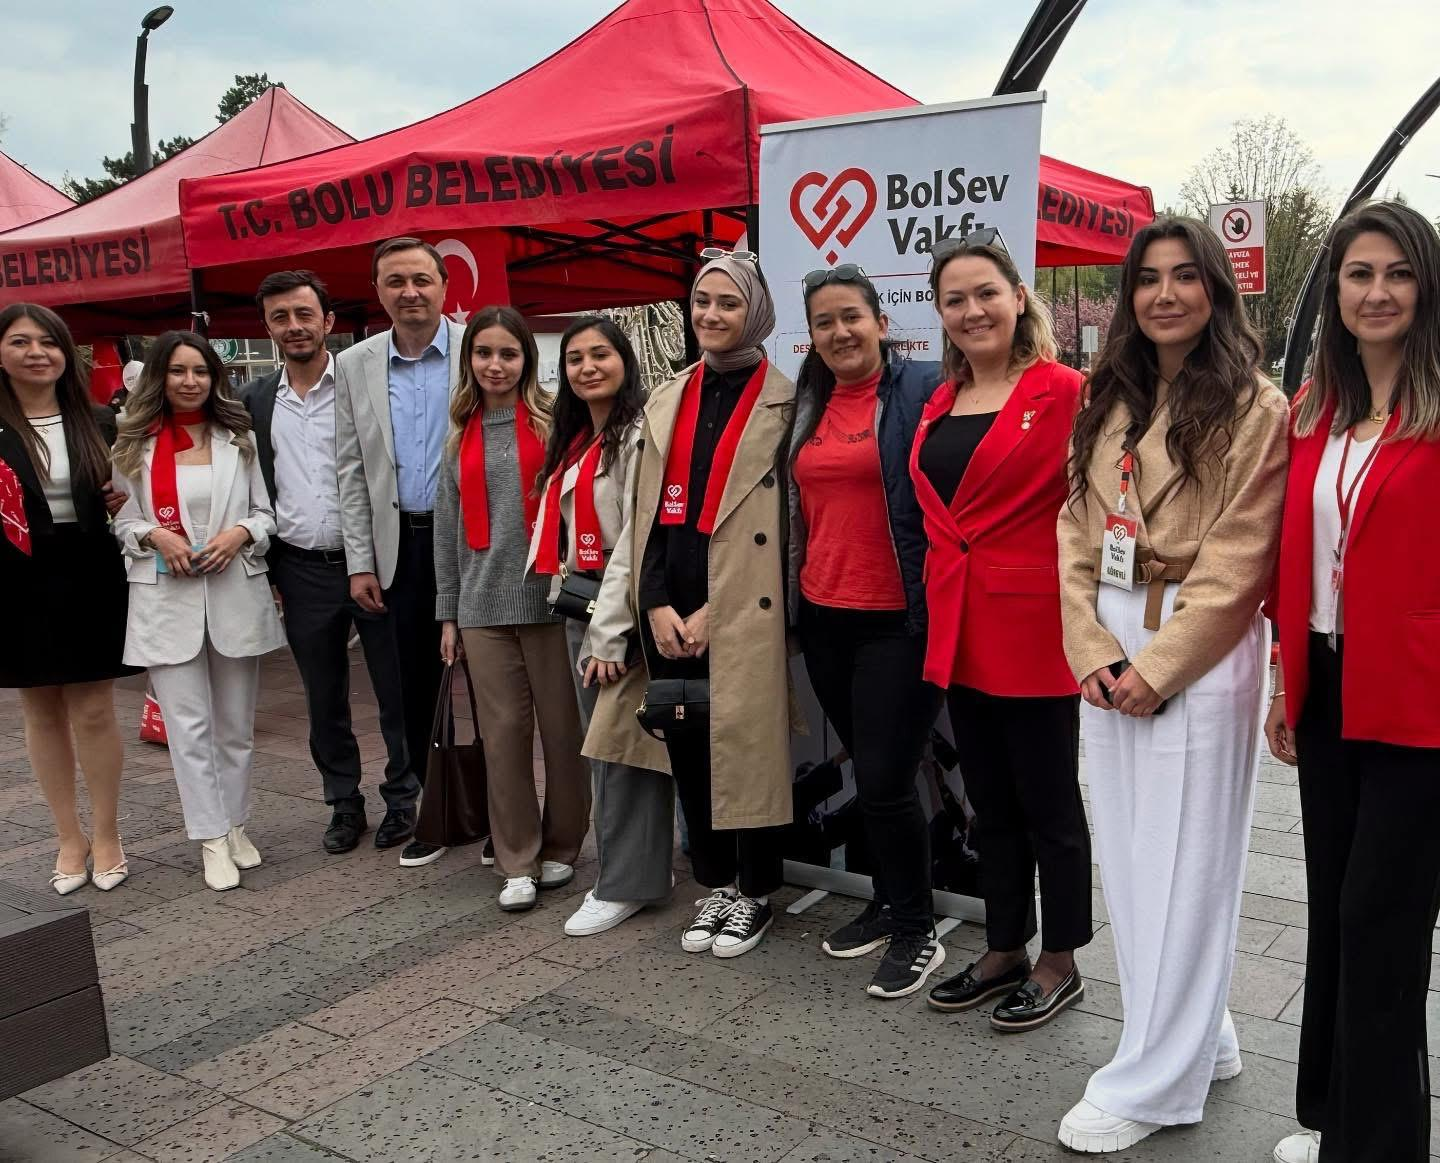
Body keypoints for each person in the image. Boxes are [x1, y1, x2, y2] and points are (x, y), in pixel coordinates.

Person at [1056, 217, 1288, 1152]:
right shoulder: (1106, 393)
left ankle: (1154, 1078)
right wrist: (1089, 647)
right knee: (1131, 855)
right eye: (1148, 278)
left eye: (1185, 276)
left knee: (1187, 861)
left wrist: (1158, 668)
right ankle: (1201, 1031)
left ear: (1215, 289)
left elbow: (1241, 559)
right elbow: (1074, 528)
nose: (1164, 294)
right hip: (1110, 633)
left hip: (1197, 642)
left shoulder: (1256, 404)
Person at [1266, 201, 1440, 1163]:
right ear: (1334, 290)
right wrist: (1284, 677)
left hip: (1420, 696)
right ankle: (1340, 1115)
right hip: (1328, 681)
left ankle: (1380, 1146)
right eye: (1360, 273)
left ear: (1427, 286)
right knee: (1336, 905)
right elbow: (1299, 555)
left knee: (1382, 917)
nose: (1378, 292)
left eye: (1398, 273)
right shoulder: (1314, 411)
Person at [905, 231, 1091, 1032]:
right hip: (961, 626)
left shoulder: (1066, 390)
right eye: (955, 299)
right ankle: (1005, 944)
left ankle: (1062, 959)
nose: (972, 310)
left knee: (1050, 804)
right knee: (990, 802)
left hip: (1035, 626)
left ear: (1019, 297)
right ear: (940, 312)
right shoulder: (940, 401)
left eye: (987, 292)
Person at [588, 250, 797, 959]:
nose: (710, 314)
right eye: (702, 301)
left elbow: (789, 530)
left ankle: (756, 891)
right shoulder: (668, 394)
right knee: (689, 740)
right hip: (671, 607)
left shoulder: (786, 401)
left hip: (744, 606)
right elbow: (644, 514)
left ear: (755, 313)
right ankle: (716, 882)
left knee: (748, 748)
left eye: (727, 303)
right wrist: (652, 604)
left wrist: (719, 610)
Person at [786, 265, 945, 996]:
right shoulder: (808, 401)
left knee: (885, 778)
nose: (840, 332)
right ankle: (887, 900)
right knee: (872, 775)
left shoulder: (923, 389)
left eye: (852, 316)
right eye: (824, 322)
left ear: (882, 323)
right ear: (811, 337)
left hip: (898, 620)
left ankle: (916, 929)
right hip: (824, 617)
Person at [243, 271, 418, 856]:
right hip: (301, 568)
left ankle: (403, 797)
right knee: (324, 698)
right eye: (280, 318)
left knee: (396, 691)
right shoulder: (255, 401)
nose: (294, 326)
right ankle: (344, 802)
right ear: (267, 328)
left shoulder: (365, 385)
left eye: (303, 314)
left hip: (378, 562)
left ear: (328, 320)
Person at [111, 332, 285, 892]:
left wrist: (241, 533)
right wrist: (153, 534)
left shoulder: (239, 438)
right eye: (178, 371)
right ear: (159, 377)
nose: (190, 382)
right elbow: (123, 522)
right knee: (188, 728)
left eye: (201, 371)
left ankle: (235, 824)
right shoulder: (132, 444)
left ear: (215, 378)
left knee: (235, 727)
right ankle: (210, 837)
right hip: (167, 598)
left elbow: (266, 513)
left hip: (233, 592)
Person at [435, 306, 591, 912]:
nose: (495, 365)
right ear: (469, 359)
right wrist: (449, 613)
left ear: (527, 359)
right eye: (484, 353)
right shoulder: (458, 435)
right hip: (482, 607)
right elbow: (447, 532)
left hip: (550, 603)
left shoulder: (556, 423)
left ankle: (564, 844)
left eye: (508, 353)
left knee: (564, 734)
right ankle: (517, 859)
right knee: (502, 740)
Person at [524, 316, 674, 936]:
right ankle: (633, 869)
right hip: (579, 603)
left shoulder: (640, 434)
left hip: (618, 613)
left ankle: (625, 884)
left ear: (625, 361)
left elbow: (638, 539)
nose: (587, 367)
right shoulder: (577, 437)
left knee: (621, 750)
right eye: (575, 359)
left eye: (600, 355)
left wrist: (610, 633)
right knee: (609, 747)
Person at [0, 303, 137, 895]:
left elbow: (132, 491)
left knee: (94, 709)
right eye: (20, 342)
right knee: (40, 710)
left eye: (48, 342)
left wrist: (123, 499)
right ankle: (67, 837)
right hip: (14, 579)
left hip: (89, 572)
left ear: (65, 352)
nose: (36, 353)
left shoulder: (100, 421)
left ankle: (106, 833)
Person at [336, 237, 464, 867]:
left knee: (492, 676)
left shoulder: (480, 347)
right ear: (378, 292)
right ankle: (423, 804)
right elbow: (350, 468)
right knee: (410, 683)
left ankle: (491, 805)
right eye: (395, 282)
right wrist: (360, 560)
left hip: (471, 538)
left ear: (443, 285)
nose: (410, 292)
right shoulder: (353, 364)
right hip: (398, 545)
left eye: (421, 279)